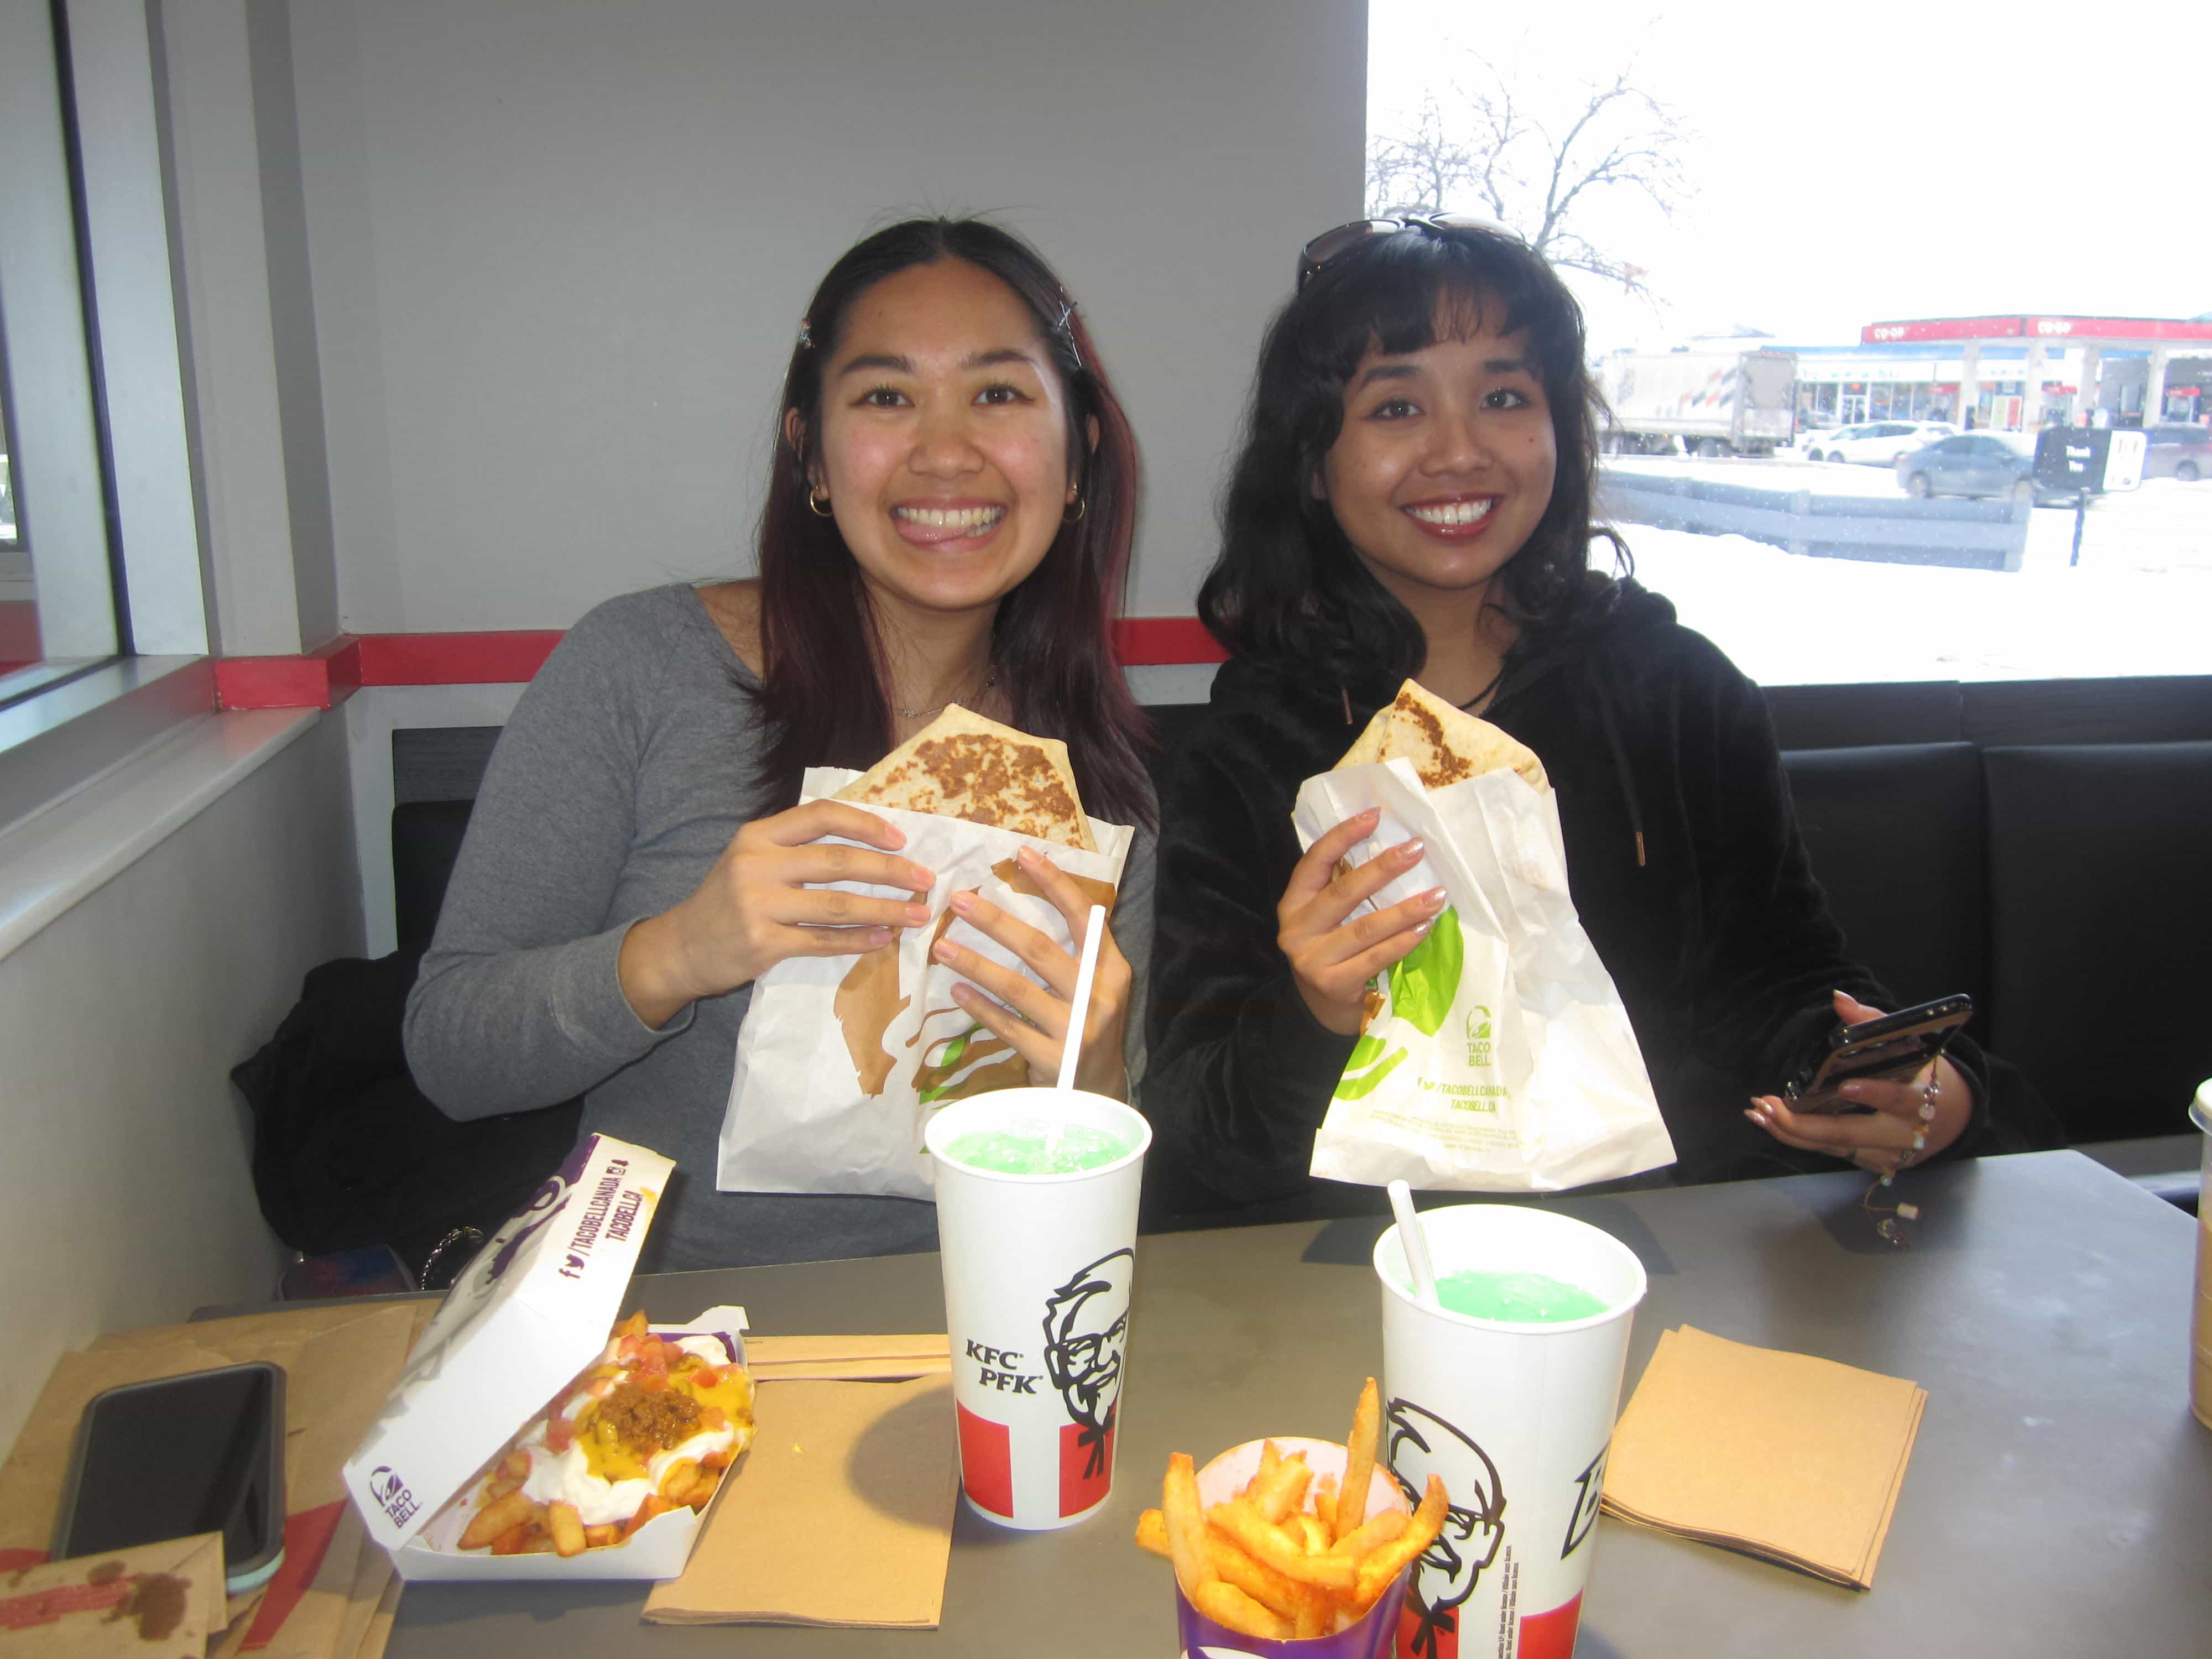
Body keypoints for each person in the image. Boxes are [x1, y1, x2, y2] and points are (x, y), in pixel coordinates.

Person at [1143, 216, 2050, 1216]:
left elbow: (1780, 982)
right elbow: (1197, 1129)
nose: (1459, 451)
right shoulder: (1252, 749)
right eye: (1396, 406)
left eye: (1504, 397)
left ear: (1561, 432)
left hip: (1667, 1238)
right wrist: (1315, 1013)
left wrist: (1914, 1094)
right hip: (1366, 1259)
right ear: (1314, 463)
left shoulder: (1675, 693)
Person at [406, 218, 1155, 1271]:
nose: (947, 453)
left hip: (981, 1304)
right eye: (886, 396)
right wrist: (678, 953)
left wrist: (1096, 1072)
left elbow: (1101, 1179)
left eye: (999, 393)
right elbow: (449, 1053)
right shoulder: (644, 667)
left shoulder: (1095, 777)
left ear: (1078, 456)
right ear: (810, 452)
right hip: (659, 1316)